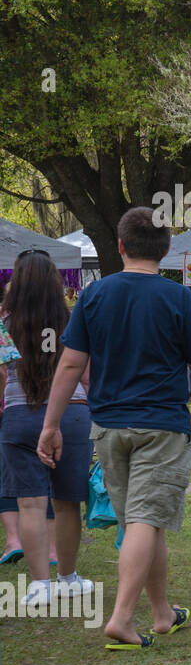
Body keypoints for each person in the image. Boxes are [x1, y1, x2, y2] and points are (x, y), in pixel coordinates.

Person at [39, 207, 191, 650]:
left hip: (108, 427)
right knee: (146, 517)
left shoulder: (93, 296)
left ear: (121, 246)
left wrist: (51, 424)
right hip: (161, 425)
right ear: (165, 250)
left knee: (144, 520)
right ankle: (122, 619)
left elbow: (70, 362)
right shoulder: (178, 298)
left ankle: (162, 613)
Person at [0, 250, 93, 604]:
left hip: (20, 416)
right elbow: (83, 374)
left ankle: (40, 585)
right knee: (68, 501)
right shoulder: (69, 321)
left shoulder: (4, 322)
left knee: (29, 504)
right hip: (70, 414)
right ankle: (68, 577)